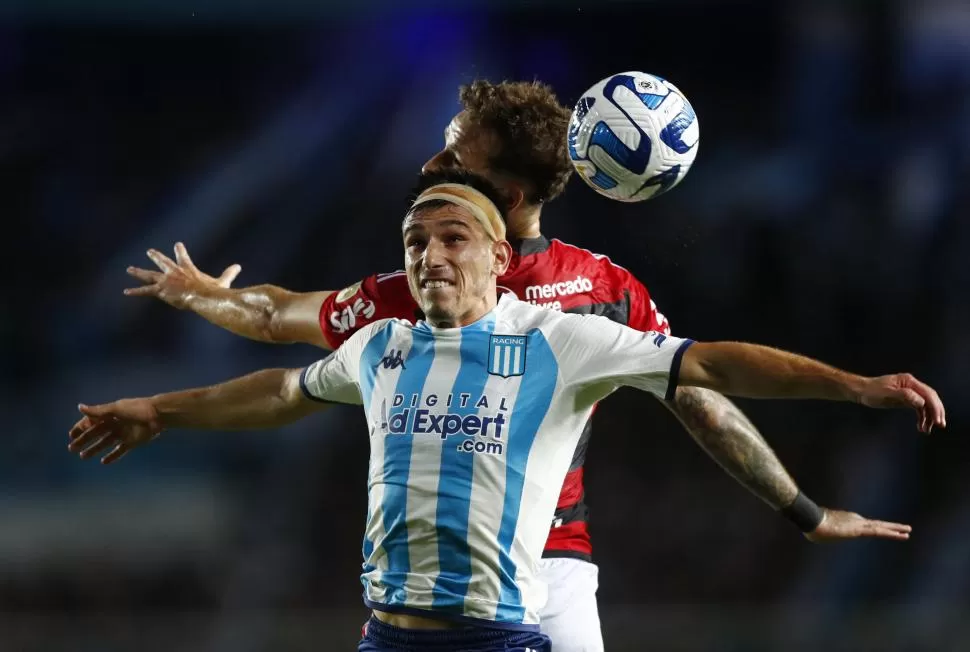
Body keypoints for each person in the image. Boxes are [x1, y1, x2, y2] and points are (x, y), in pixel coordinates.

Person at [125, 81, 920, 650]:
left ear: (502, 194)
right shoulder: (600, 288)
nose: (435, 161)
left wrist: (205, 302)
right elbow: (702, 404)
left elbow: (274, 317)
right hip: (470, 579)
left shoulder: (427, 290)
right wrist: (803, 510)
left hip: (517, 576)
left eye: (454, 153)